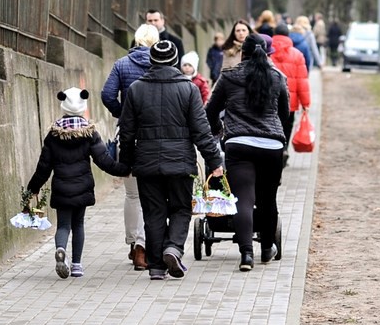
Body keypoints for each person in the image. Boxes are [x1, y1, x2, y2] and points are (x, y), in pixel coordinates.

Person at [118, 41, 223, 280]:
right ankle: (173, 248)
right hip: (180, 162)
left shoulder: (136, 89)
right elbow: (201, 130)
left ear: (152, 61)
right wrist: (214, 161)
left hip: (146, 162)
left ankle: (156, 266)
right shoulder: (189, 90)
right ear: (175, 61)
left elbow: (127, 131)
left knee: (153, 212)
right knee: (180, 208)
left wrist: (125, 163)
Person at [205, 34, 290, 272]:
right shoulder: (277, 78)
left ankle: (246, 255)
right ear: (266, 54)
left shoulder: (229, 77)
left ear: (243, 53)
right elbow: (285, 113)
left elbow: (210, 110)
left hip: (239, 144)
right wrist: (276, 133)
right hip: (272, 146)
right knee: (267, 199)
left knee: (244, 199)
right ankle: (266, 248)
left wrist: (218, 131)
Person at [27, 88, 130, 279]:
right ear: (83, 105)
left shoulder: (53, 135)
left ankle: (60, 249)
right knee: (79, 225)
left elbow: (44, 166)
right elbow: (103, 160)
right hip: (82, 187)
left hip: (61, 187)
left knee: (63, 226)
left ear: (63, 105)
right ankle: (76, 265)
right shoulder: (89, 133)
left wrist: (33, 188)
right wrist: (124, 170)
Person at [100, 24, 160, 271]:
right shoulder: (162, 64)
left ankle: (133, 243)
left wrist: (123, 115)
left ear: (136, 40)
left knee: (132, 194)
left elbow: (107, 95)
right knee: (154, 195)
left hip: (129, 136)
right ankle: (143, 248)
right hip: (156, 135)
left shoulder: (122, 64)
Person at [271, 24, 311, 156]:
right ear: (288, 36)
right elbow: (302, 81)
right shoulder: (297, 55)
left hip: (270, 99)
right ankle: (284, 148)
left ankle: (273, 150)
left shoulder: (267, 53)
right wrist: (305, 103)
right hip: (290, 101)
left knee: (271, 125)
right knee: (287, 126)